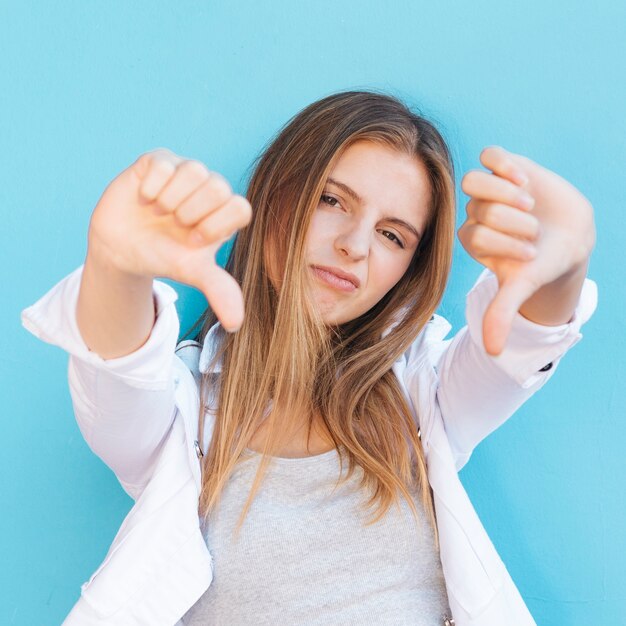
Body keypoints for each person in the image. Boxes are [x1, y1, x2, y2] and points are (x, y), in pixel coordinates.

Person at [21, 90, 597, 626]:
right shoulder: (183, 415)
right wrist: (115, 270)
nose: (355, 244)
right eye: (331, 200)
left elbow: (519, 347)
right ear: (275, 197)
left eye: (393, 236)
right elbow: (118, 373)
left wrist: (563, 269)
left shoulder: (425, 395)